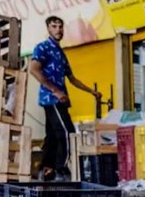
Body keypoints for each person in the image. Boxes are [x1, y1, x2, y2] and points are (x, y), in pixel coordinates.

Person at [29, 16, 101, 181]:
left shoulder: (60, 53)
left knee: (52, 136)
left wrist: (92, 92)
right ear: (48, 28)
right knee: (68, 133)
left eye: (61, 26)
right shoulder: (43, 47)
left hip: (60, 99)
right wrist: (55, 91)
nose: (58, 30)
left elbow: (72, 79)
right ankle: (62, 169)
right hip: (52, 99)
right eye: (54, 26)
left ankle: (46, 169)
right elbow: (33, 69)